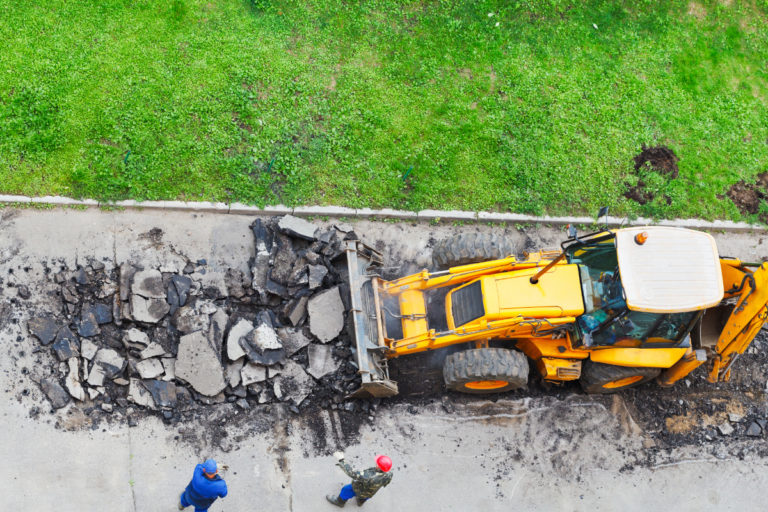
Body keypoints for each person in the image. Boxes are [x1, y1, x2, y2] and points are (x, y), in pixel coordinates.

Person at [326, 451, 393, 507]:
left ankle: (339, 502)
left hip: (358, 489)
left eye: (377, 463)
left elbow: (352, 473)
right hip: (370, 493)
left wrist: (341, 460)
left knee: (346, 490)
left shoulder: (367, 476)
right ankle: (360, 502)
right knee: (364, 497)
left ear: (378, 466)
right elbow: (385, 483)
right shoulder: (389, 474)